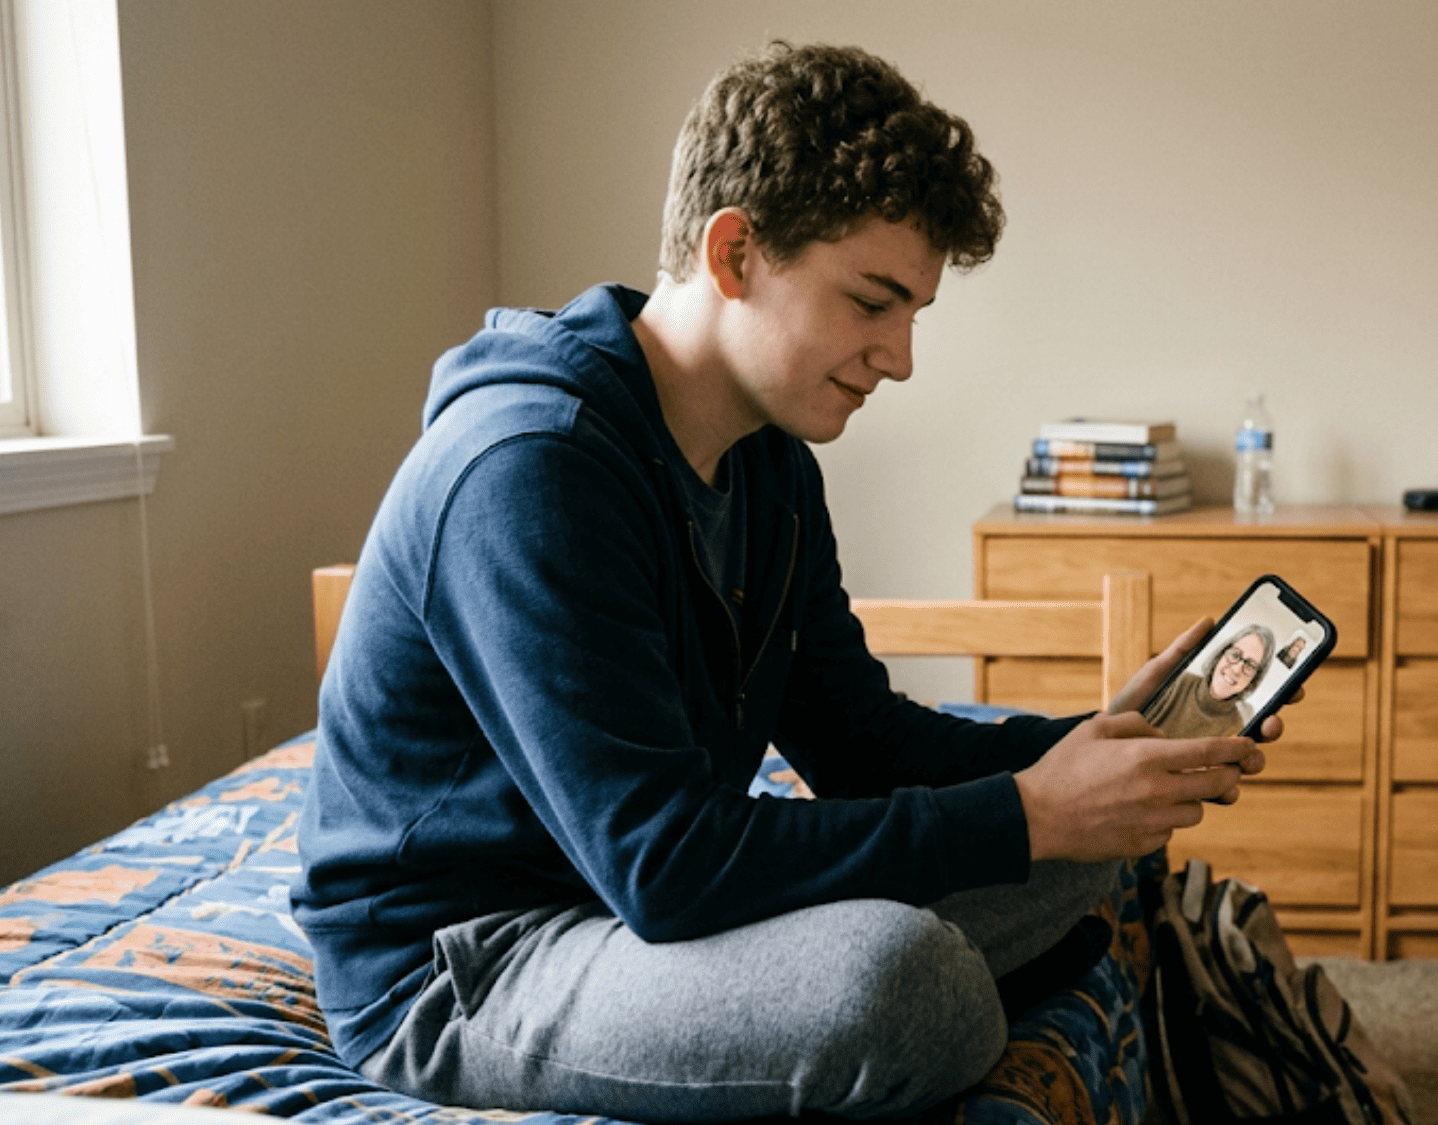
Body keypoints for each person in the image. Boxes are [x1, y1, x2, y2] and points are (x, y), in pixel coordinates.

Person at [293, 41, 1282, 1125]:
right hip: (472, 963)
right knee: (906, 982)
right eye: (871, 303)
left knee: (1097, 842)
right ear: (734, 253)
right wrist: (1027, 811)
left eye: (912, 315)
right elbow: (668, 863)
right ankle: (947, 996)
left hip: (641, 906)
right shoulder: (528, 469)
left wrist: (1088, 748)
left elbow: (862, 745)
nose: (900, 357)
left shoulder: (770, 464)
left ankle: (930, 983)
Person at [1143, 624, 1277, 739]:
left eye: (1250, 665)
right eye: (1235, 655)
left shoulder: (1237, 729)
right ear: (1222, 654)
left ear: (1254, 679)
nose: (1237, 669)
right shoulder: (1179, 681)